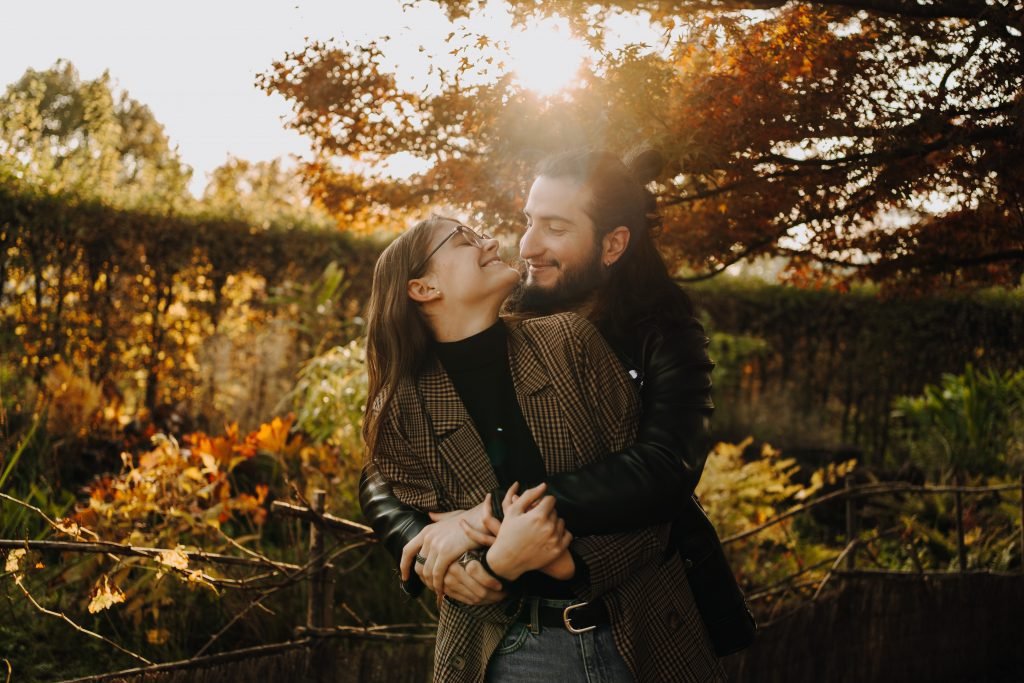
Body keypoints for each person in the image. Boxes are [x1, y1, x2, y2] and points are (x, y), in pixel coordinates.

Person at [361, 148, 754, 657]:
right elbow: (384, 462)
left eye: (555, 228)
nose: (526, 245)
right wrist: (423, 539)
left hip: (648, 611)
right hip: (515, 632)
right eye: (529, 221)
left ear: (612, 244)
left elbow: (665, 468)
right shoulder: (503, 310)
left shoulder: (662, 335)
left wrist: (489, 521)